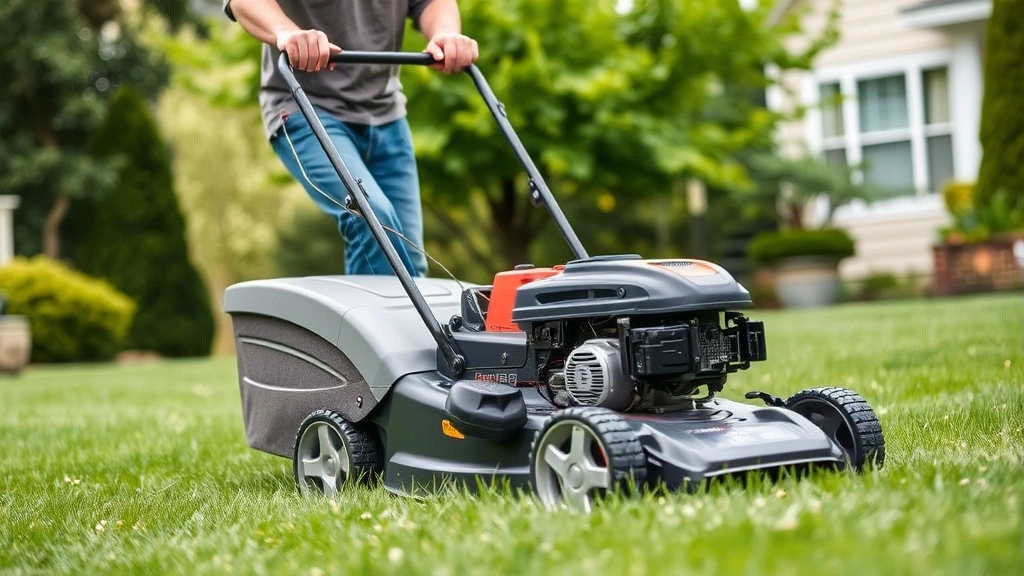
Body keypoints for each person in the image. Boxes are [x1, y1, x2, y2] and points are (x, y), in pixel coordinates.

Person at [223, 0, 479, 276]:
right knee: (373, 221)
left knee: (410, 259)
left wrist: (446, 33)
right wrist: (285, 32)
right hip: (305, 106)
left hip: (386, 112)